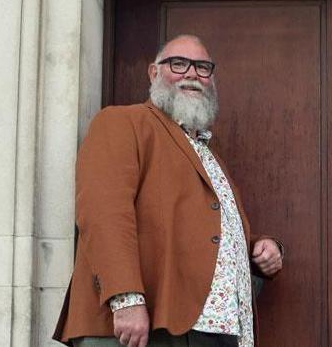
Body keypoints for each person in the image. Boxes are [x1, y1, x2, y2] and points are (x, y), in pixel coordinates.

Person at [54, 34, 284, 347]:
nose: (192, 74)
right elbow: (103, 215)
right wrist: (126, 300)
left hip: (216, 328)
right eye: (179, 64)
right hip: (150, 325)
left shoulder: (207, 152)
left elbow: (205, 226)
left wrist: (258, 248)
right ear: (153, 72)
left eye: (203, 68)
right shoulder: (123, 122)